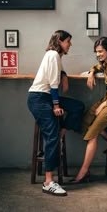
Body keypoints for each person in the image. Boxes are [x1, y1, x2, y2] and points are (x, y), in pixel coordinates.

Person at [27, 30, 85, 196]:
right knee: (51, 136)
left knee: (77, 107)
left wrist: (65, 75)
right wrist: (56, 106)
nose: (70, 44)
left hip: (44, 97)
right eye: (68, 41)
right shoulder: (53, 55)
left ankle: (61, 133)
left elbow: (58, 73)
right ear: (60, 41)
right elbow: (53, 85)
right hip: (39, 99)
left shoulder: (54, 56)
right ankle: (48, 182)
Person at [71, 36, 107, 183]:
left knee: (92, 135)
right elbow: (96, 67)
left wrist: (103, 105)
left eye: (100, 51)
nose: (98, 55)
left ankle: (83, 172)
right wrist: (91, 73)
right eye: (96, 52)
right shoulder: (105, 64)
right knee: (86, 119)